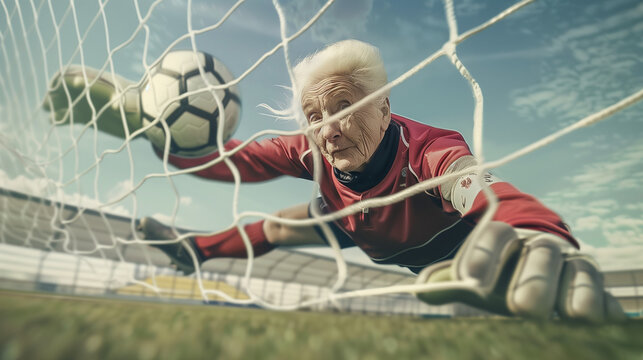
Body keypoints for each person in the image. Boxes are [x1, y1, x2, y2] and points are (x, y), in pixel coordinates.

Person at [44, 40, 625, 322]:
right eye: (315, 116)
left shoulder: (430, 147)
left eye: (345, 106)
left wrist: (542, 234)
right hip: (358, 227)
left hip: (445, 246)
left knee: (485, 306)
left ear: (385, 106)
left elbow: (480, 189)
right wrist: (153, 129)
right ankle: (193, 252)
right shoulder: (312, 149)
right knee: (280, 223)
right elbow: (227, 163)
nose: (328, 129)